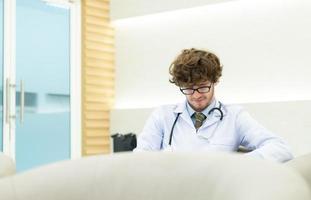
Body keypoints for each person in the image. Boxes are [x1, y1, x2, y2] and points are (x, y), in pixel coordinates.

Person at [134, 48, 293, 162]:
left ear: (215, 81)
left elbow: (281, 148)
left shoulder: (234, 117)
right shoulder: (163, 115)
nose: (196, 95)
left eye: (203, 87)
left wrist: (236, 165)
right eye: (188, 89)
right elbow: (141, 157)